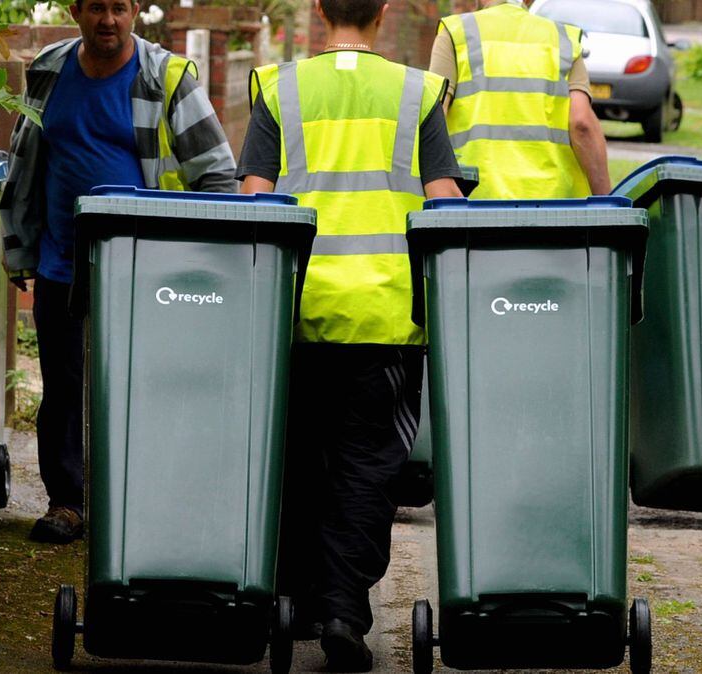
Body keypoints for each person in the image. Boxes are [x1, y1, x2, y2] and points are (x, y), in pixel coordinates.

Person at [238, 0, 462, 669]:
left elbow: (254, 199)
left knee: (300, 462)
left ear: (315, 9)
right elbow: (445, 201)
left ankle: (299, 602)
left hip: (298, 316)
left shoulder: (282, 89)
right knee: (367, 468)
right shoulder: (416, 93)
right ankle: (342, 610)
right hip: (388, 320)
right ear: (384, 11)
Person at [0, 0, 237, 544]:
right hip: (63, 260)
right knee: (63, 387)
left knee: (145, 386)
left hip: (145, 269)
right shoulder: (49, 71)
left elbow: (218, 178)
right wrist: (20, 245)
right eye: (98, 8)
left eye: (121, 8)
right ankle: (68, 503)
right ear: (77, 11)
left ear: (135, 12)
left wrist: (193, 263)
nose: (110, 20)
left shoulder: (164, 78)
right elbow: (24, 162)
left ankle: (141, 500)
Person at [430, 0, 610, 198]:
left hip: (475, 200)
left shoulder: (456, 33)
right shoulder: (562, 39)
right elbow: (581, 123)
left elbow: (434, 117)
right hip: (554, 205)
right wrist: (607, 201)